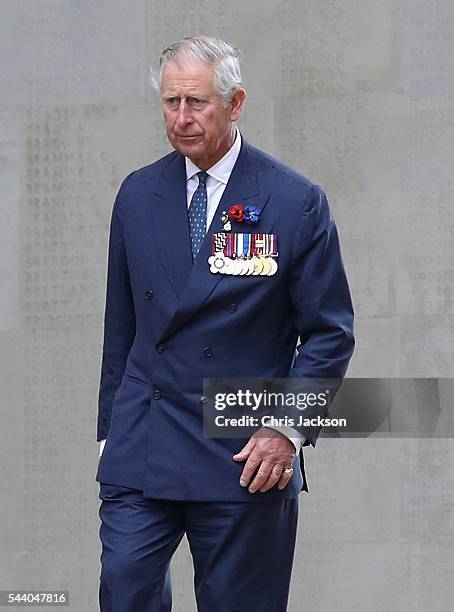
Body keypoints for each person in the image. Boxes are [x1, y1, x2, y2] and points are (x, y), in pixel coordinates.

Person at [95, 35, 354, 612]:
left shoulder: (295, 200)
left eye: (196, 104)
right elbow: (123, 324)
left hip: (243, 450)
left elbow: (329, 332)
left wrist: (286, 429)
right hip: (143, 442)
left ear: (235, 104)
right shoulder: (137, 194)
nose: (181, 119)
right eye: (170, 103)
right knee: (124, 591)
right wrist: (113, 430)